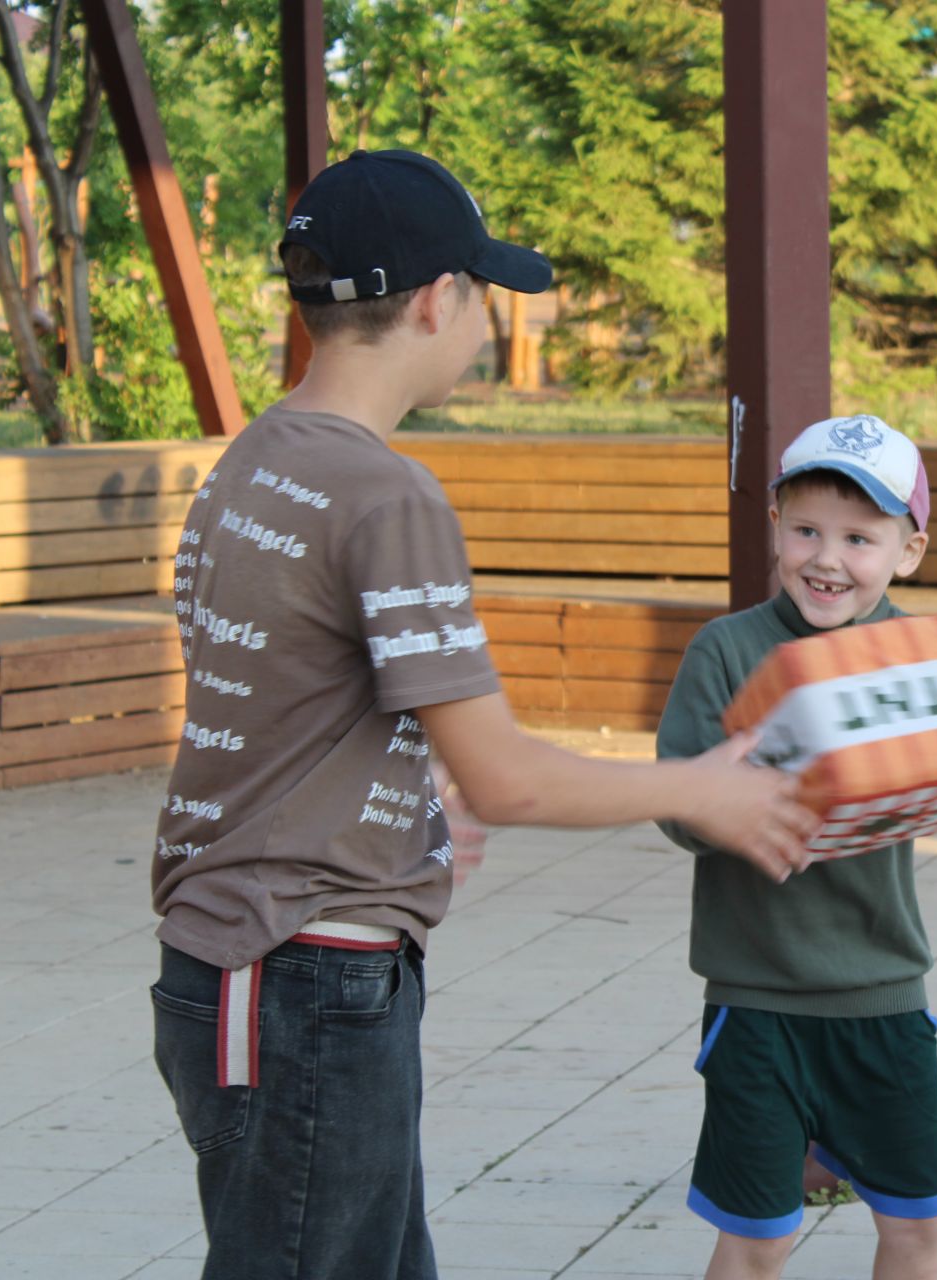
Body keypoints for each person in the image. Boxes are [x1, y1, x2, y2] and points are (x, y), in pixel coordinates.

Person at [150, 149, 816, 1280]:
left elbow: (279, 702)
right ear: (432, 300)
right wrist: (706, 785)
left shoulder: (253, 461)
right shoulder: (387, 493)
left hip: (248, 970)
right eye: (483, 295)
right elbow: (505, 774)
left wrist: (401, 808)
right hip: (305, 978)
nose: (486, 324)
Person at [655, 414, 937, 1280]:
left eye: (860, 537)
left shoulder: (914, 658)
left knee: (918, 1226)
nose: (828, 557)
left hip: (884, 995)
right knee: (757, 1238)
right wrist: (748, 791)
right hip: (757, 1000)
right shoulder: (727, 649)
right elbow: (676, 808)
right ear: (774, 528)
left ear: (908, 550)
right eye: (808, 529)